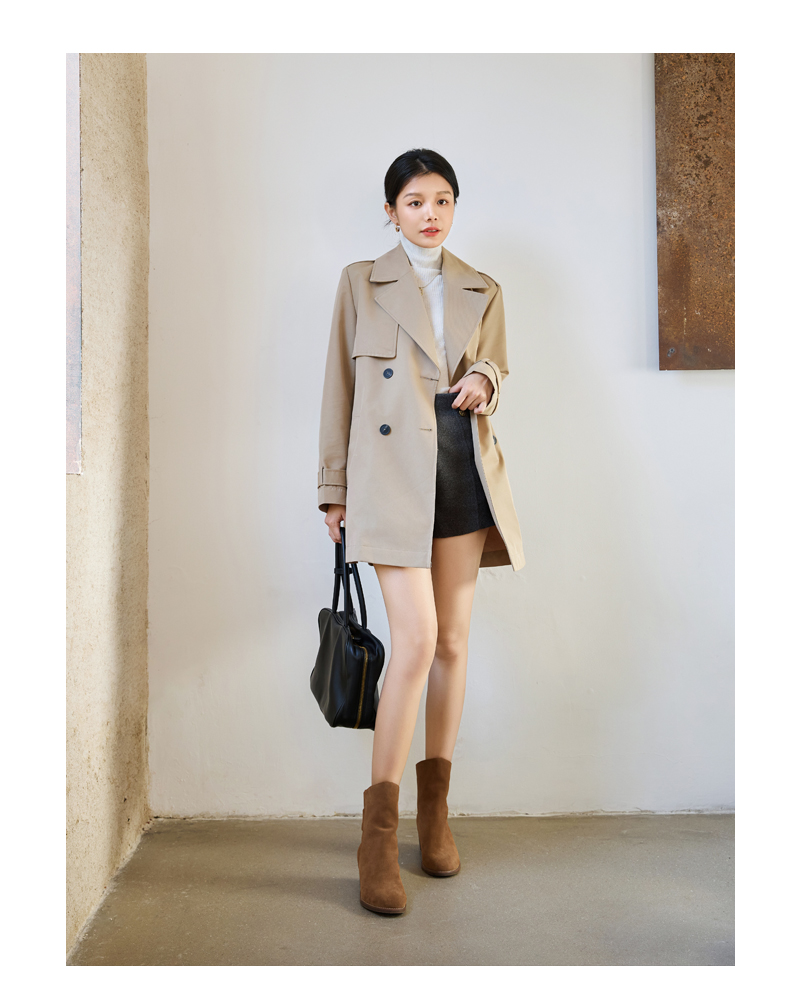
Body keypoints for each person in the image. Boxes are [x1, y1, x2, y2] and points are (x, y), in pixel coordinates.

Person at [317, 149, 525, 915]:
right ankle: (378, 835)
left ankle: (434, 815)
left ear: (454, 206)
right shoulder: (359, 282)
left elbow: (497, 366)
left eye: (441, 199)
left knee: (452, 642)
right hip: (389, 479)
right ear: (391, 211)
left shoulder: (483, 286)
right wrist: (333, 489)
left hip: (460, 469)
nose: (429, 213)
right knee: (415, 639)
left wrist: (485, 379)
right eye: (413, 201)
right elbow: (338, 386)